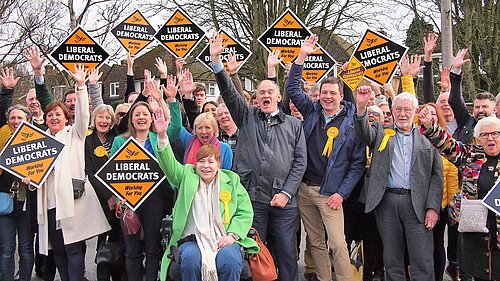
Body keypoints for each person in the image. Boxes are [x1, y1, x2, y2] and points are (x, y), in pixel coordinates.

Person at [210, 32, 307, 281]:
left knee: (287, 253)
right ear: (255, 99)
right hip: (253, 198)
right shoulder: (246, 117)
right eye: (260, 92)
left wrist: (286, 193)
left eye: (269, 92)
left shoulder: (294, 125)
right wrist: (217, 63)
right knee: (255, 251)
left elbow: (300, 163)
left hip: (284, 203)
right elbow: (230, 93)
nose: (264, 95)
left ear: (277, 97)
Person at [285, 34, 366, 281]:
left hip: (330, 193)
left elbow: (357, 164)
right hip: (304, 189)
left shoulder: (353, 123)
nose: (327, 97)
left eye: (332, 92)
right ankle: (322, 278)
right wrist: (301, 56)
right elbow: (292, 88)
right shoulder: (311, 112)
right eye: (324, 93)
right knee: (315, 243)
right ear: (318, 95)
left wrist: (341, 193)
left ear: (341, 94)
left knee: (338, 244)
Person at [153, 106, 259, 281]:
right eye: (202, 161)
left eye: (211, 162)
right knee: (190, 260)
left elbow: (245, 211)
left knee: (230, 260)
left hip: (224, 237)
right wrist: (162, 136)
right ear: (196, 164)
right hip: (191, 238)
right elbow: (168, 164)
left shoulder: (231, 180)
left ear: (219, 164)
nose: (206, 166)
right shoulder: (187, 174)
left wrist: (232, 235)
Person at [354, 86, 443, 281]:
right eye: (398, 109)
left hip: (417, 204)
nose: (402, 114)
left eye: (407, 110)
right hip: (387, 203)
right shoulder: (380, 132)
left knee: (422, 259)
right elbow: (363, 133)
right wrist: (361, 107)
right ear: (392, 111)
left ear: (415, 112)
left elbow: (437, 176)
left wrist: (433, 207)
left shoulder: (430, 137)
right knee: (392, 259)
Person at [34, 64, 110, 281]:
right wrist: (31, 181)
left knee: (74, 250)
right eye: (50, 115)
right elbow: (35, 171)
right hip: (49, 204)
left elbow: (85, 113)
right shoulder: (40, 142)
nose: (54, 118)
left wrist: (80, 86)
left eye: (58, 114)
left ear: (66, 118)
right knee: (57, 251)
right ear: (45, 119)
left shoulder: (75, 135)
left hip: (72, 203)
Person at [111, 73, 178, 281]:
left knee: (152, 247)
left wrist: (162, 99)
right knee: (131, 250)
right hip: (128, 200)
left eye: (145, 114)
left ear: (151, 119)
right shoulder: (120, 142)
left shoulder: (158, 139)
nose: (141, 117)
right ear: (131, 119)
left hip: (154, 199)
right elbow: (114, 174)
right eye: (137, 114)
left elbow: (174, 125)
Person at [419, 109, 500, 281]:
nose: (490, 138)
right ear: (478, 138)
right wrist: (429, 126)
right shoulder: (472, 156)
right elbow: (448, 146)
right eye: (484, 135)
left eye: (495, 134)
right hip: (476, 233)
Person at [84, 104, 127, 281]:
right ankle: (102, 272)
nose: (104, 121)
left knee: (119, 236)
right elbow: (89, 170)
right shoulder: (87, 140)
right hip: (99, 197)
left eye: (108, 117)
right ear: (94, 118)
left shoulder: (116, 136)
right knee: (104, 237)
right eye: (100, 117)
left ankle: (118, 273)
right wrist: (108, 195)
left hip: (120, 197)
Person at [0, 67, 35, 281]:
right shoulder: (2, 136)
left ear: (28, 120)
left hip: (27, 201)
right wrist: (7, 91)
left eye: (20, 117)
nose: (15, 121)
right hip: (5, 198)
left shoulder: (37, 140)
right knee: (5, 249)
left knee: (26, 248)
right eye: (12, 118)